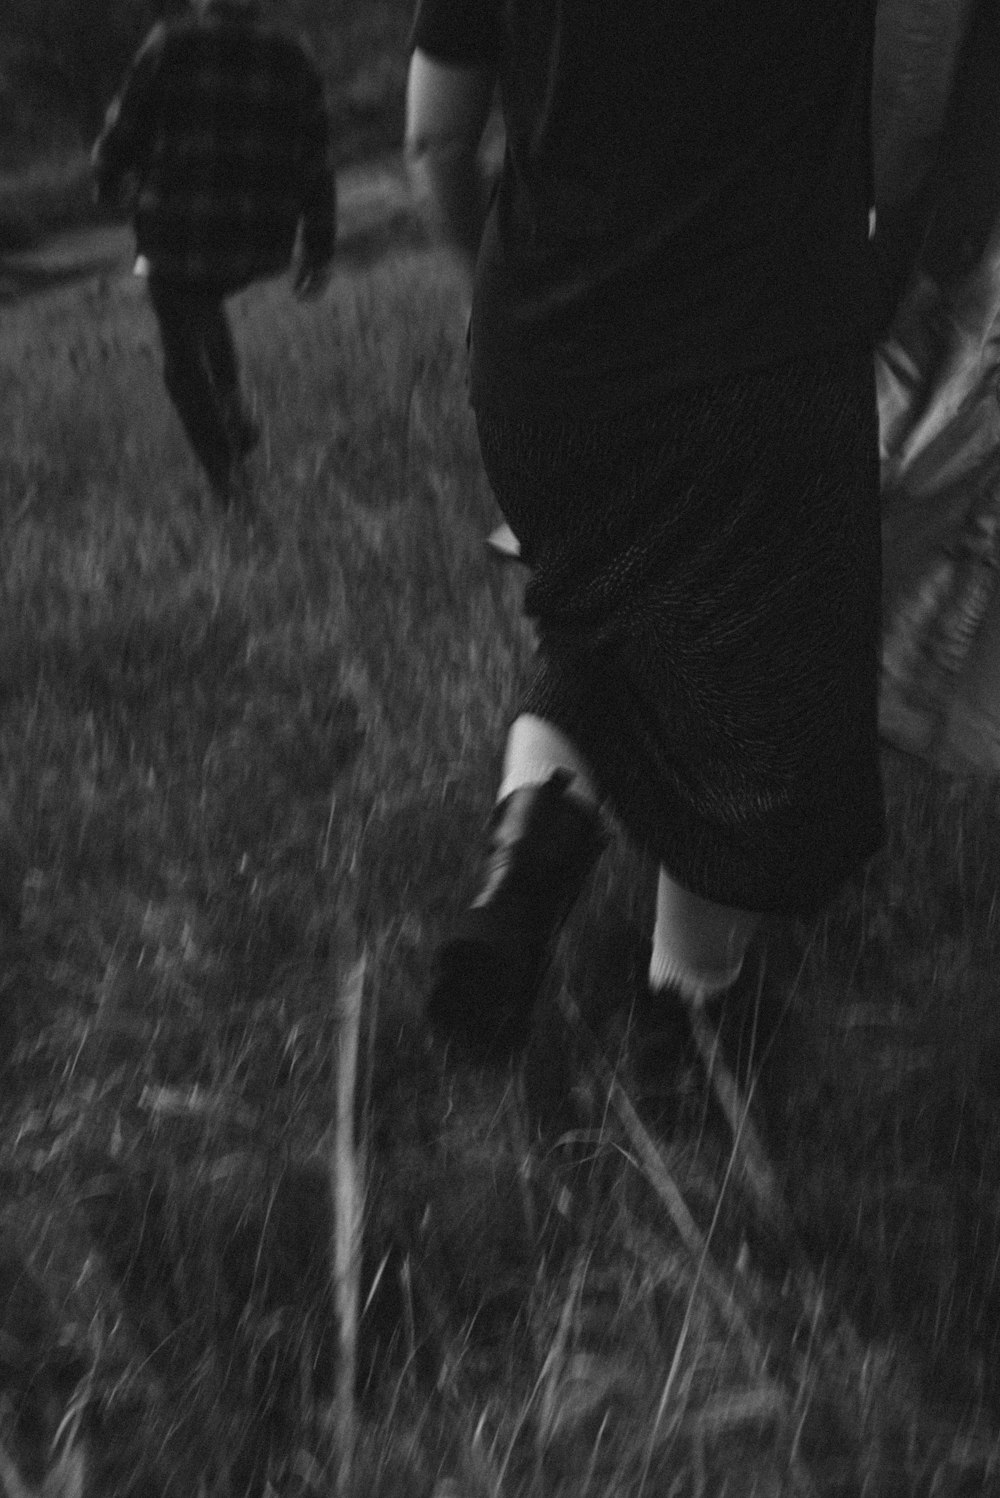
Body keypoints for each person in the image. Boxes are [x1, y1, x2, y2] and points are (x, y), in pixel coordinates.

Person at [405, 1, 885, 1094]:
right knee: (741, 692)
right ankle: (693, 1017)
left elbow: (434, 139)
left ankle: (526, 857)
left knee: (607, 612)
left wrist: (498, 294)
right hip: (763, 357)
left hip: (546, 367)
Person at [92, 0, 336, 508]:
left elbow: (126, 124)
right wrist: (318, 243)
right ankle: (232, 412)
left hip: (179, 230)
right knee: (200, 301)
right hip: (258, 236)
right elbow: (316, 154)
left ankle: (230, 488)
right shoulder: (293, 53)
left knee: (182, 361)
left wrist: (107, 176)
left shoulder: (171, 42)